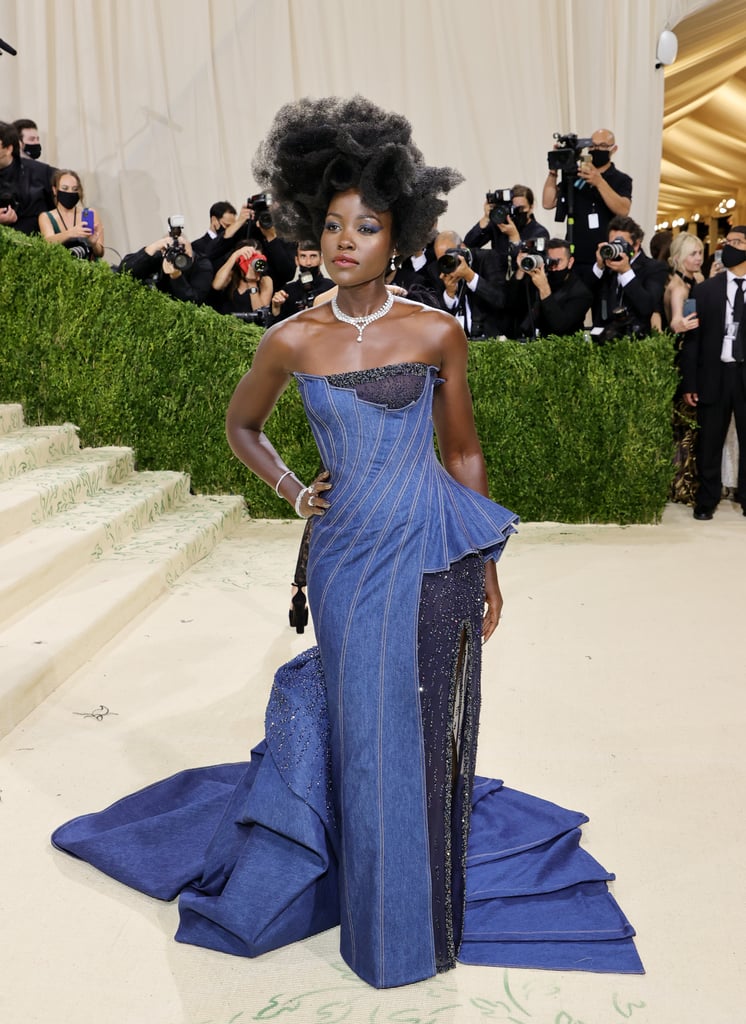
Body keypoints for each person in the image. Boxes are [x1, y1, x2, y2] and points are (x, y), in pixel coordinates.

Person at [52, 95, 642, 989]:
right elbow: (242, 429)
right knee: (367, 738)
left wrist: (482, 560)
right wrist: (296, 491)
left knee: (427, 733)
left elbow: (466, 449)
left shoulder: (437, 330)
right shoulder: (292, 339)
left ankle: (421, 920)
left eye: (366, 225)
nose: (345, 240)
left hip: (437, 556)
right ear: (308, 228)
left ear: (397, 234)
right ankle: (379, 926)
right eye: (331, 225)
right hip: (347, 561)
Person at [681, 225, 746, 520]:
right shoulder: (705, 289)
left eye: (737, 242)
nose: (729, 246)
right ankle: (706, 500)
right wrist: (690, 382)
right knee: (709, 442)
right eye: (728, 241)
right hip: (714, 375)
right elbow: (692, 340)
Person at [542, 129, 632, 288]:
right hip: (575, 257)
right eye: (592, 146)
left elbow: (623, 209)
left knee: (602, 308)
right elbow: (548, 203)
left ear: (614, 149)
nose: (596, 150)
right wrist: (553, 170)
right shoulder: (576, 178)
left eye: (602, 146)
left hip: (604, 257)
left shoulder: (621, 179)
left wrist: (599, 182)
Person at [664, 233, 705, 504]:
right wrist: (689, 323)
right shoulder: (678, 286)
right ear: (678, 257)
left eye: (701, 253)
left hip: (693, 357)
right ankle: (681, 486)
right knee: (684, 428)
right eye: (693, 254)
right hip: (682, 360)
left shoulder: (696, 281)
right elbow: (676, 323)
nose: (698, 258)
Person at [590, 215, 668, 341]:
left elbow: (647, 306)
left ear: (636, 245)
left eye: (620, 244)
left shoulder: (655, 268)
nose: (615, 248)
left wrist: (626, 272)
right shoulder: (607, 267)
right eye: (612, 244)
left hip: (636, 344)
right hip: (605, 341)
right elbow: (585, 295)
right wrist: (599, 266)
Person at [506, 236, 592, 339]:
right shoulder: (540, 277)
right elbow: (510, 301)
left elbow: (560, 326)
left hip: (564, 348)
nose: (553, 267)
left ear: (570, 262)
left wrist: (544, 288)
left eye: (558, 261)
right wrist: (522, 268)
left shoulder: (581, 292)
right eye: (550, 261)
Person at [430, 229, 507, 338]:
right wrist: (449, 294)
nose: (446, 263)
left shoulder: (487, 258)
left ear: (462, 247)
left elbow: (500, 299)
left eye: (449, 257)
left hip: (489, 339)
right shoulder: (437, 270)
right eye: (441, 260)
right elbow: (437, 316)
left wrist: (470, 276)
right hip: (456, 340)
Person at [118, 221, 213, 305]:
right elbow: (123, 272)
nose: (177, 254)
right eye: (170, 249)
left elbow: (194, 302)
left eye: (181, 248)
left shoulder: (201, 264)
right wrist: (152, 248)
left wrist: (177, 277)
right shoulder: (160, 256)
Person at [465, 184, 549, 277]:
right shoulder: (500, 225)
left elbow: (528, 264)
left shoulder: (539, 232)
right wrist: (486, 218)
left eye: (521, 208)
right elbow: (468, 244)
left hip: (522, 284)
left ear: (531, 207)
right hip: (497, 279)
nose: (517, 212)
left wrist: (514, 238)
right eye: (513, 208)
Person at [0, 120, 55, 234]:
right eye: (31, 139)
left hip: (37, 242)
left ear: (9, 149)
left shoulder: (41, 172)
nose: (35, 143)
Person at [38, 168, 105, 260]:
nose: (70, 192)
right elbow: (47, 242)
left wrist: (93, 243)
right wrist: (71, 233)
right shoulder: (46, 217)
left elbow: (100, 252)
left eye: (74, 189)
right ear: (55, 190)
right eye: (65, 188)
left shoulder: (90, 213)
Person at [269, 239, 335, 323]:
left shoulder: (331, 288)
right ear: (297, 260)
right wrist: (276, 308)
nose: (308, 263)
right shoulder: (287, 291)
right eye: (303, 256)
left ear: (321, 260)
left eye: (313, 256)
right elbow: (276, 328)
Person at [210, 239, 274, 318]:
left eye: (257, 259)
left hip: (250, 327)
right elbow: (216, 285)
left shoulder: (265, 281)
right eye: (250, 259)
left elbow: (260, 315)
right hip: (227, 324)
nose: (253, 263)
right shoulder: (230, 275)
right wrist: (235, 256)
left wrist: (252, 283)